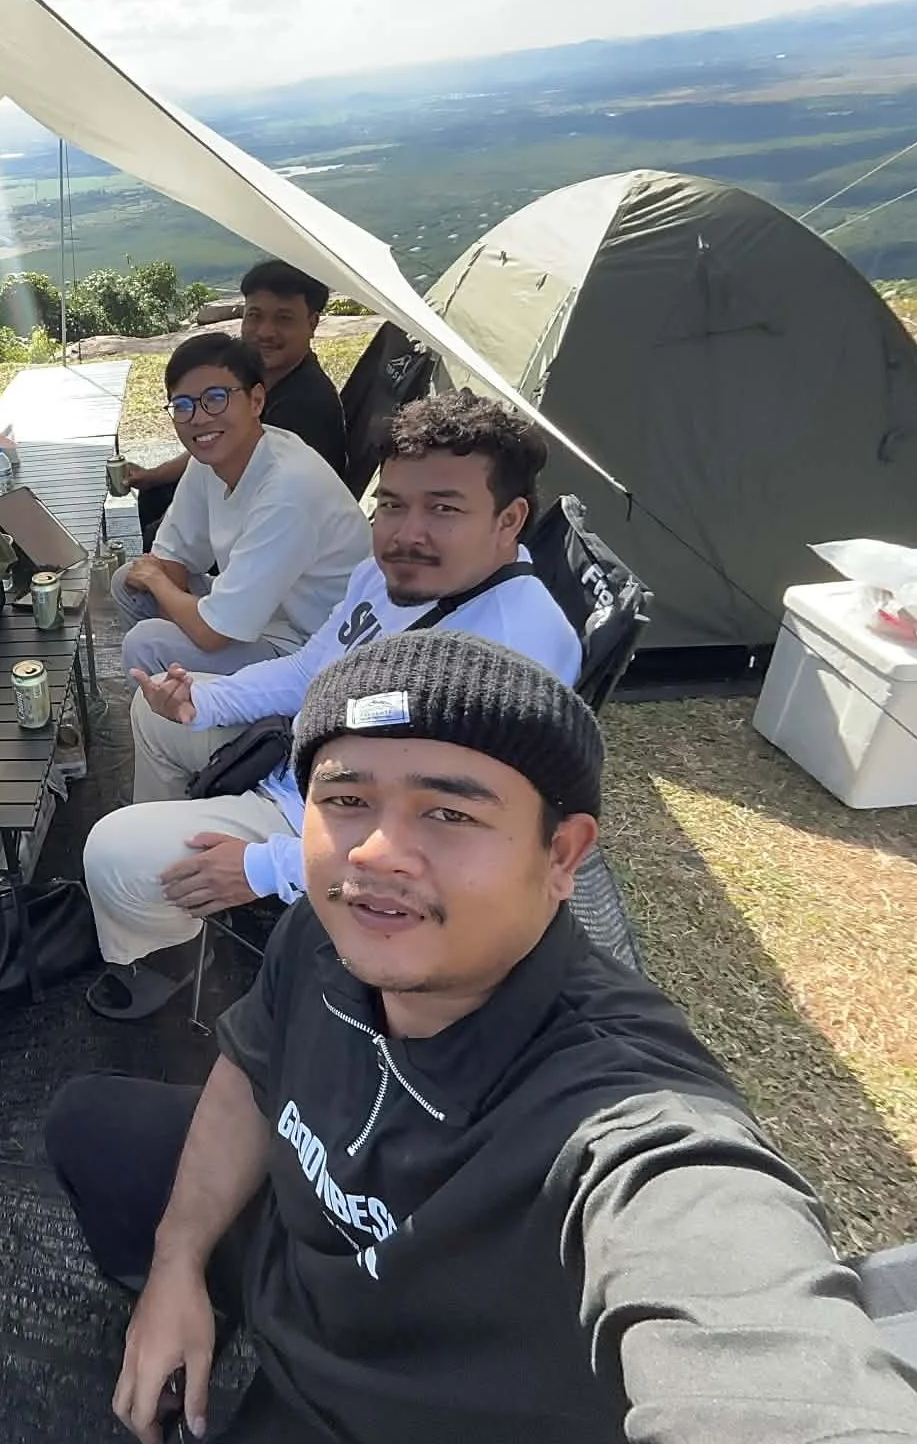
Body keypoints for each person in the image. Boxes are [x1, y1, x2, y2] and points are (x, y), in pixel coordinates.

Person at [46, 633, 917, 1444]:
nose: (374, 853)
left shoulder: (619, 1117)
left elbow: (757, 1327)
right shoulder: (327, 933)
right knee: (88, 1123)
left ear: (561, 856)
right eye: (348, 799)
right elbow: (252, 1065)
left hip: (386, 1404)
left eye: (450, 813)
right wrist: (178, 1266)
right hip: (296, 1262)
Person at [85, 389, 581, 1019]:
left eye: (444, 509)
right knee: (152, 720)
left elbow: (459, 843)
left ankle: (160, 926)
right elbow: (310, 668)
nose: (408, 533)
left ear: (508, 520)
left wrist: (268, 868)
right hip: (309, 761)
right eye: (392, 505)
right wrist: (202, 703)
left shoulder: (512, 648)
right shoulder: (390, 572)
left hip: (341, 828)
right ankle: (166, 907)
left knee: (110, 850)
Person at [111, 332, 366, 680]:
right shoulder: (209, 461)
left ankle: (230, 723)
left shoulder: (288, 487)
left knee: (145, 644)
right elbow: (171, 558)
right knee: (128, 583)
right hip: (262, 618)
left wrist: (166, 591)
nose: (199, 418)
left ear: (256, 400)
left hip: (314, 648)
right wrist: (168, 591)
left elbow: (212, 634)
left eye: (215, 398)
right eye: (183, 405)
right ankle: (193, 698)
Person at [126, 261, 347, 548]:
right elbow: (214, 444)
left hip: (273, 532)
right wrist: (153, 475)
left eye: (283, 319)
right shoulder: (257, 379)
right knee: (155, 494)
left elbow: (244, 490)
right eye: (255, 315)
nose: (265, 332)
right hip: (245, 505)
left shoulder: (304, 407)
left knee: (158, 536)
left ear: (312, 323)